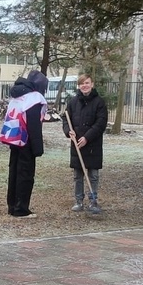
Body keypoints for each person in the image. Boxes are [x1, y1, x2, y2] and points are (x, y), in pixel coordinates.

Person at [0, 69, 48, 218]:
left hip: (14, 138)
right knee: (25, 174)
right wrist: (38, 148)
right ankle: (21, 208)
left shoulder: (18, 95)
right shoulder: (34, 98)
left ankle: (12, 205)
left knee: (14, 172)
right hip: (26, 141)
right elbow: (34, 124)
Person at [62, 74, 108, 214]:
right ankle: (79, 201)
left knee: (93, 175)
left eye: (87, 83)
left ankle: (93, 201)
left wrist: (87, 138)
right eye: (82, 83)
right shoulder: (73, 102)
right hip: (77, 145)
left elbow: (101, 123)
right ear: (79, 85)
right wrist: (68, 131)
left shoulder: (99, 103)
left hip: (92, 145)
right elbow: (66, 118)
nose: (84, 85)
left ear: (92, 84)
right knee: (78, 175)